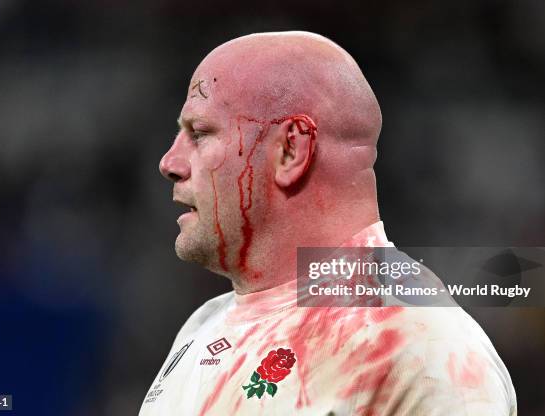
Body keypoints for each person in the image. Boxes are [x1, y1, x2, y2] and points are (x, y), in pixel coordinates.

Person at [139, 31, 517, 415]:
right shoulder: (203, 327)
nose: (170, 162)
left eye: (200, 134)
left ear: (291, 150)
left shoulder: (417, 348)